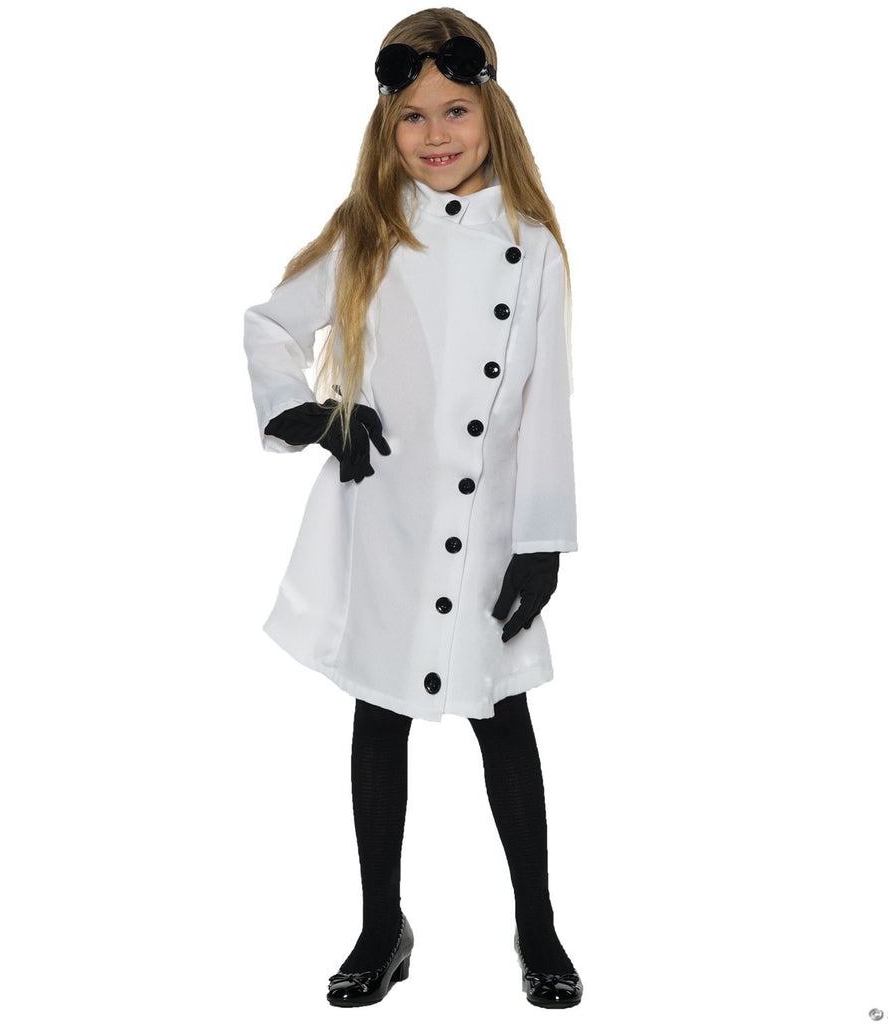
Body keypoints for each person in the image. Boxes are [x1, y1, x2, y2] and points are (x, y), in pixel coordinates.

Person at [241, 7, 581, 1009]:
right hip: (387, 523)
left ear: (492, 114)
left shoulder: (534, 248)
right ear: (386, 128)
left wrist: (541, 541)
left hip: (489, 529)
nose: (435, 134)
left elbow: (546, 405)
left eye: (454, 110)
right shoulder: (369, 232)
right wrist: (310, 413)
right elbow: (270, 325)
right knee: (379, 715)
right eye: (412, 115)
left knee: (503, 720)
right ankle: (380, 925)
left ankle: (536, 924)